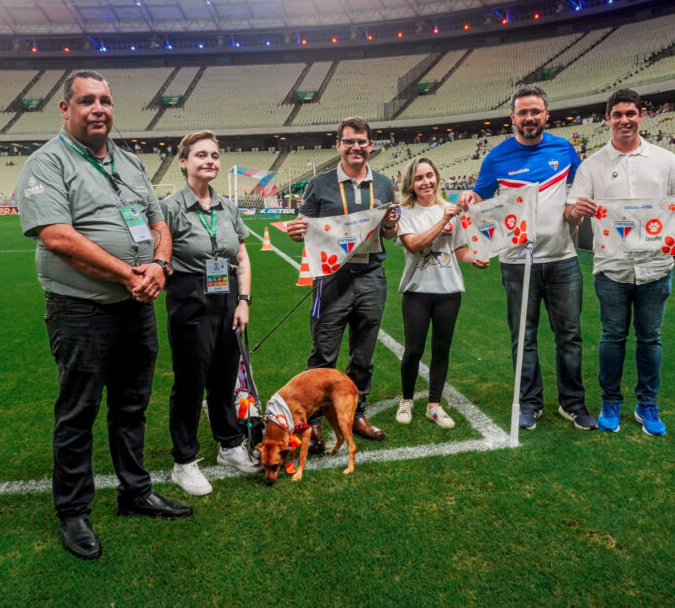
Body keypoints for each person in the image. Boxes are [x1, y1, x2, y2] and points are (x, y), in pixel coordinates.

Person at [15, 70, 191, 561]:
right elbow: (57, 236)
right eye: (87, 100)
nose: (99, 108)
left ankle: (135, 492)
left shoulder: (130, 161)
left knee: (132, 406)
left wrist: (158, 264)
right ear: (65, 109)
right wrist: (127, 274)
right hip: (80, 310)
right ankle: (73, 511)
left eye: (106, 100)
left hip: (135, 308)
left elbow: (158, 221)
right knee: (79, 412)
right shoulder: (46, 163)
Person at [565, 89, 675, 436]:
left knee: (650, 339)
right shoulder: (592, 165)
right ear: (608, 119)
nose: (624, 120)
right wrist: (578, 211)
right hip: (612, 268)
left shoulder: (665, 160)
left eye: (630, 113)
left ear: (641, 116)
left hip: (655, 267)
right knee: (612, 337)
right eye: (617, 114)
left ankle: (647, 405)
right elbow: (572, 213)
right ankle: (610, 402)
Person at [457, 84, 596, 431]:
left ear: (546, 114)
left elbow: (575, 199)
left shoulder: (565, 151)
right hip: (518, 264)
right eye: (523, 112)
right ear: (513, 118)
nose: (530, 118)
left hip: (563, 259)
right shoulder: (496, 158)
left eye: (536, 111)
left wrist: (576, 213)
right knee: (524, 337)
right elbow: (480, 200)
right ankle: (530, 403)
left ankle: (573, 404)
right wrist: (468, 197)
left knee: (570, 334)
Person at [286, 116, 399, 448]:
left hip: (371, 277)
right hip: (331, 279)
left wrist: (390, 223)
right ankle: (315, 420)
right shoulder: (319, 185)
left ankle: (358, 412)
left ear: (370, 146)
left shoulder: (383, 184)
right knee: (323, 353)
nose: (356, 147)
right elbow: (301, 227)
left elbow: (390, 233)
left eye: (362, 141)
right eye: (349, 141)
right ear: (339, 145)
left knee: (363, 355)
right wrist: (296, 231)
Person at [161, 130, 261, 497]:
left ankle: (230, 445)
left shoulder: (227, 207)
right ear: (184, 161)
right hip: (190, 298)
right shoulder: (169, 209)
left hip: (228, 297)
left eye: (215, 156)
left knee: (223, 379)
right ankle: (183, 462)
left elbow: (242, 257)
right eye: (201, 155)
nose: (210, 161)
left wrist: (244, 300)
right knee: (190, 382)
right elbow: (157, 257)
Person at [395, 156, 488, 428]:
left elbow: (458, 249)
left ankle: (434, 405)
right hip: (417, 290)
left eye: (430, 176)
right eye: (419, 178)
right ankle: (407, 400)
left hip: (448, 290)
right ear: (410, 183)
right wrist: (443, 219)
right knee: (413, 349)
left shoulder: (449, 208)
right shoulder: (404, 212)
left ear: (437, 177)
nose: (426, 182)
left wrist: (474, 258)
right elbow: (414, 245)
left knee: (441, 349)